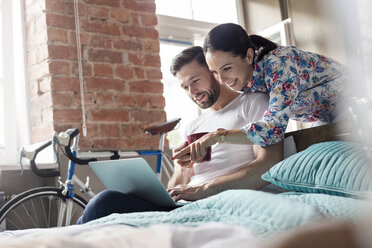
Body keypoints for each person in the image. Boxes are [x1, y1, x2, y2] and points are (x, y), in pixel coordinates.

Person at [77, 46, 282, 224]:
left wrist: (204, 189)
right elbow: (174, 189)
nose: (192, 91)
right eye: (185, 87)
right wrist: (182, 168)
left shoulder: (253, 103)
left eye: (195, 81)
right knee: (107, 205)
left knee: (104, 202)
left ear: (214, 72)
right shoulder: (193, 126)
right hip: (184, 206)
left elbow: (267, 166)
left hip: (215, 203)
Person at [173, 23, 347, 163]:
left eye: (226, 68)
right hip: (325, 116)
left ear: (249, 56)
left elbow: (272, 130)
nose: (222, 80)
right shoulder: (245, 82)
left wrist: (217, 136)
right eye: (215, 72)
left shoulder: (279, 64)